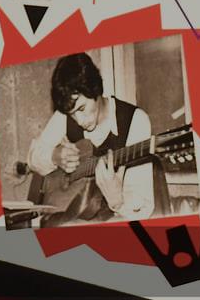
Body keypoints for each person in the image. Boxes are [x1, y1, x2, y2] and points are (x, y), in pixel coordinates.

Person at [26, 52, 156, 222]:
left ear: (95, 90)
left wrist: (118, 201)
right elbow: (33, 158)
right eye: (72, 115)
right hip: (68, 215)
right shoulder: (66, 112)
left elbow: (144, 208)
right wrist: (54, 156)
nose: (79, 121)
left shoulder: (136, 121)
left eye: (82, 109)